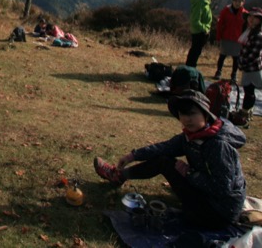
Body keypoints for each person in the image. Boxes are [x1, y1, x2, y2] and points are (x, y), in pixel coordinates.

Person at [93, 90, 246, 229]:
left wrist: (189, 174)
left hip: (218, 214)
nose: (187, 119)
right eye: (183, 114)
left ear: (205, 114)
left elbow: (222, 189)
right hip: (206, 197)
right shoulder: (193, 135)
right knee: (163, 159)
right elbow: (164, 148)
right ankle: (119, 176)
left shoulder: (218, 145)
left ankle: (118, 177)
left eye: (192, 113)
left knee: (166, 163)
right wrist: (133, 155)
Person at [237, 8, 262, 127]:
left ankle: (245, 112)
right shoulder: (250, 31)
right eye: (250, 16)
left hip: (252, 67)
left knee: (249, 91)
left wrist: (242, 63)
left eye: (254, 17)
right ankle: (247, 111)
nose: (250, 19)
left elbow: (254, 54)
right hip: (248, 66)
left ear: (260, 20)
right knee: (248, 90)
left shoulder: (259, 35)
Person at [185, 0, 218, 68]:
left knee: (196, 51)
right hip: (199, 32)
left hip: (201, 31)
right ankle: (190, 68)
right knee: (195, 51)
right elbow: (195, 20)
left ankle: (190, 68)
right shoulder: (200, 3)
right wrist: (205, 29)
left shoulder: (205, 0)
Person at [214, 0, 246, 82]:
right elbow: (220, 24)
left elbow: (247, 27)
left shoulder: (245, 13)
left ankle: (234, 75)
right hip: (226, 36)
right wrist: (218, 36)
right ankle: (218, 72)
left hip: (237, 38)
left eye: (240, 1)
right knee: (222, 55)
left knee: (236, 58)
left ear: (243, 3)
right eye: (236, 1)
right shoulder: (226, 11)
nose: (238, 3)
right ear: (232, 1)